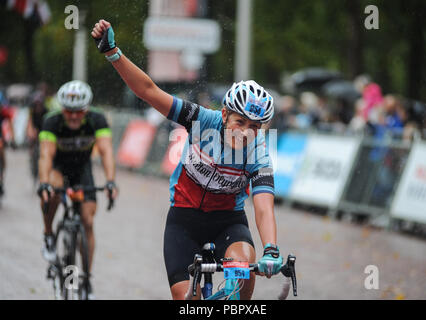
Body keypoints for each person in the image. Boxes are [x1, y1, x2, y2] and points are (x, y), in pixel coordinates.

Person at [91, 19, 282, 300]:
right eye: (240, 122)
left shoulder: (259, 152)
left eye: (255, 127)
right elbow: (148, 91)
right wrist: (113, 53)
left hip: (228, 222)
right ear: (226, 114)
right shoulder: (201, 119)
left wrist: (271, 249)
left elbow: (264, 207)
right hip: (184, 220)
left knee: (242, 268)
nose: (245, 133)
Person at [37, 80, 118, 299]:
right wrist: (43, 182)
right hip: (58, 168)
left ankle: (86, 280)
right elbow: (46, 155)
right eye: (68, 112)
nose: (73, 116)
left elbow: (106, 151)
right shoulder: (51, 121)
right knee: (52, 188)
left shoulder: (97, 119)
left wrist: (111, 181)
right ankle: (48, 235)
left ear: (87, 108)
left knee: (88, 221)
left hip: (82, 170)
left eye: (79, 112)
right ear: (61, 108)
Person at [0, 89, 16, 196]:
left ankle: (1, 177)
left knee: (2, 155)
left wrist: (13, 139)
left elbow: (10, 124)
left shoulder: (3, 111)